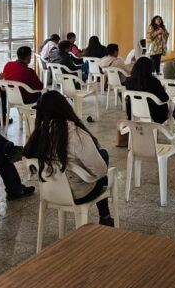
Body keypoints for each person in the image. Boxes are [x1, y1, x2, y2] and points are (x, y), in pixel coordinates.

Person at [24, 90, 115, 226]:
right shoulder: (76, 135)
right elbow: (100, 171)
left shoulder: (37, 136)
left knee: (98, 159)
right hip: (80, 193)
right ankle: (105, 216)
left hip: (51, 192)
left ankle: (105, 217)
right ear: (65, 108)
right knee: (103, 157)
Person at [124, 57, 169, 124]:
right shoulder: (153, 82)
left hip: (134, 110)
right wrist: (162, 89)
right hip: (154, 114)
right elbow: (165, 98)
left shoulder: (128, 81)